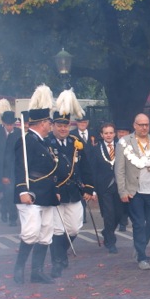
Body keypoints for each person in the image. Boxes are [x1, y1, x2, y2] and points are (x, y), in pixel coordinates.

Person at [114, 113, 150, 270]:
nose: (144, 127)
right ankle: (142, 256)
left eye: (146, 124)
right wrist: (122, 191)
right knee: (139, 224)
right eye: (141, 124)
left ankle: (139, 245)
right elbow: (119, 170)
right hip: (134, 191)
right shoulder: (123, 143)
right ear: (134, 125)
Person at [13, 107, 58, 284]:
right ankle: (19, 269)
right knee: (31, 232)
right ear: (42, 123)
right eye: (49, 123)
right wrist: (23, 190)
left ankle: (36, 271)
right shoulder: (26, 142)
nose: (50, 126)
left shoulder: (43, 142)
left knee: (46, 232)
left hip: (46, 193)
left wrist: (56, 191)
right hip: (31, 193)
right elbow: (19, 168)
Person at [46, 111, 94, 278]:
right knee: (57, 230)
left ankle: (61, 253)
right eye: (59, 125)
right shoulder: (47, 143)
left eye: (65, 125)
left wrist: (88, 188)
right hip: (56, 191)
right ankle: (57, 262)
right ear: (53, 126)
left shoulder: (76, 143)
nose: (62, 128)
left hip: (73, 191)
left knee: (74, 228)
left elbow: (86, 167)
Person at [86, 122, 121, 253]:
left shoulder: (121, 147)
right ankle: (111, 242)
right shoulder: (96, 149)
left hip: (119, 186)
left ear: (115, 134)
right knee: (109, 214)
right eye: (106, 133)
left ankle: (107, 231)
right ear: (101, 135)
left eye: (111, 132)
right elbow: (93, 170)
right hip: (104, 187)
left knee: (119, 214)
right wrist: (93, 189)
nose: (108, 135)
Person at [0, 111, 20, 226]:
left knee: (13, 194)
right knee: (7, 194)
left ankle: (13, 217)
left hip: (17, 169)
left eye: (12, 124)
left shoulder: (18, 134)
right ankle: (6, 212)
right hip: (5, 168)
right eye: (8, 124)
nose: (10, 126)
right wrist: (4, 174)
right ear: (4, 123)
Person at [115, 122, 132, 231]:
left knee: (125, 201)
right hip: (114, 177)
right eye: (119, 132)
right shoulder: (112, 144)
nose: (121, 134)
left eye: (124, 132)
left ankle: (123, 220)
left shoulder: (132, 145)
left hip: (128, 177)